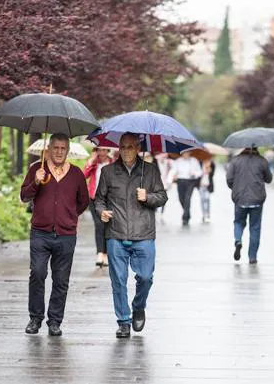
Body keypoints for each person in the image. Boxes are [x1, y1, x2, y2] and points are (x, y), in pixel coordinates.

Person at [94, 133, 168, 338]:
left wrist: (148, 197)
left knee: (145, 277)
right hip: (116, 233)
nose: (126, 151)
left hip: (143, 232)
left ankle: (138, 306)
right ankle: (123, 321)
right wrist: (102, 212)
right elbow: (99, 200)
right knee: (118, 280)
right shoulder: (108, 172)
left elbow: (163, 197)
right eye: (123, 147)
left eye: (130, 147)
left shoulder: (150, 171)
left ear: (138, 148)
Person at [20, 133, 89, 336]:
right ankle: (35, 318)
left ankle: (55, 321)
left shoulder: (76, 174)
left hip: (66, 235)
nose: (59, 152)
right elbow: (24, 196)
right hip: (40, 232)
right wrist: (36, 182)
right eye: (55, 148)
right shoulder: (36, 169)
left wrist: (68, 216)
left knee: (61, 279)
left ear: (67, 151)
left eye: (62, 148)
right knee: (38, 273)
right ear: (48, 149)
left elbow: (83, 201)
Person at [226, 147, 272, 264]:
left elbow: (229, 179)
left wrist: (236, 188)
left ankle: (238, 240)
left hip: (240, 198)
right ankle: (252, 257)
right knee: (255, 228)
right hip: (257, 199)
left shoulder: (235, 161)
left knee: (238, 222)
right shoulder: (262, 161)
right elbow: (269, 179)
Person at [83, 147, 114, 268]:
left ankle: (106, 254)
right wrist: (90, 162)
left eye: (104, 150)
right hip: (94, 198)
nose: (101, 153)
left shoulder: (113, 164)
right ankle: (100, 253)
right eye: (99, 150)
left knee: (107, 225)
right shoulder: (93, 164)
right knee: (99, 225)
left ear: (107, 151)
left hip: (108, 200)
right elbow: (83, 175)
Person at [171, 152, 202, 226]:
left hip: (190, 181)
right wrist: (174, 175)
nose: (186, 154)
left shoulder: (194, 161)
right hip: (180, 181)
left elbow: (200, 172)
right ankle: (187, 213)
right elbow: (173, 170)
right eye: (184, 153)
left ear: (190, 153)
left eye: (187, 153)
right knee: (181, 199)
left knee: (187, 199)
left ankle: (185, 218)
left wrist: (194, 173)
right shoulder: (178, 161)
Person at [199, 158, 216, 223]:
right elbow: (198, 173)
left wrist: (209, 168)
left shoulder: (212, 164)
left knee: (207, 199)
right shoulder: (200, 163)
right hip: (201, 185)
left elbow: (212, 174)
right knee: (202, 200)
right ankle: (204, 214)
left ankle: (207, 213)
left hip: (208, 185)